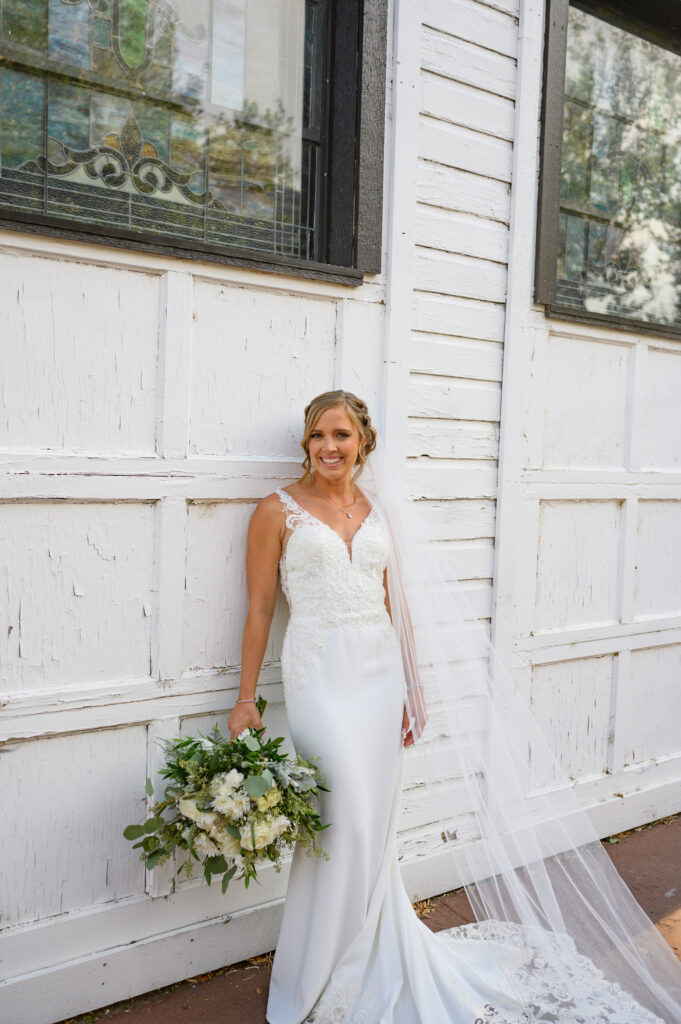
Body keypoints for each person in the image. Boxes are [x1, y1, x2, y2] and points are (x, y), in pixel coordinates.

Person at [227, 390, 681, 1024]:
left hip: (380, 674)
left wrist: (413, 687)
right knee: (340, 819)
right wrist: (246, 698)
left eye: (342, 436)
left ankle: (369, 952)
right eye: (318, 436)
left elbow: (398, 606)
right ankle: (320, 966)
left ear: (363, 442)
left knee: (375, 823)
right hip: (318, 675)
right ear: (306, 442)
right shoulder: (275, 511)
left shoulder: (378, 509)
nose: (329, 447)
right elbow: (260, 609)